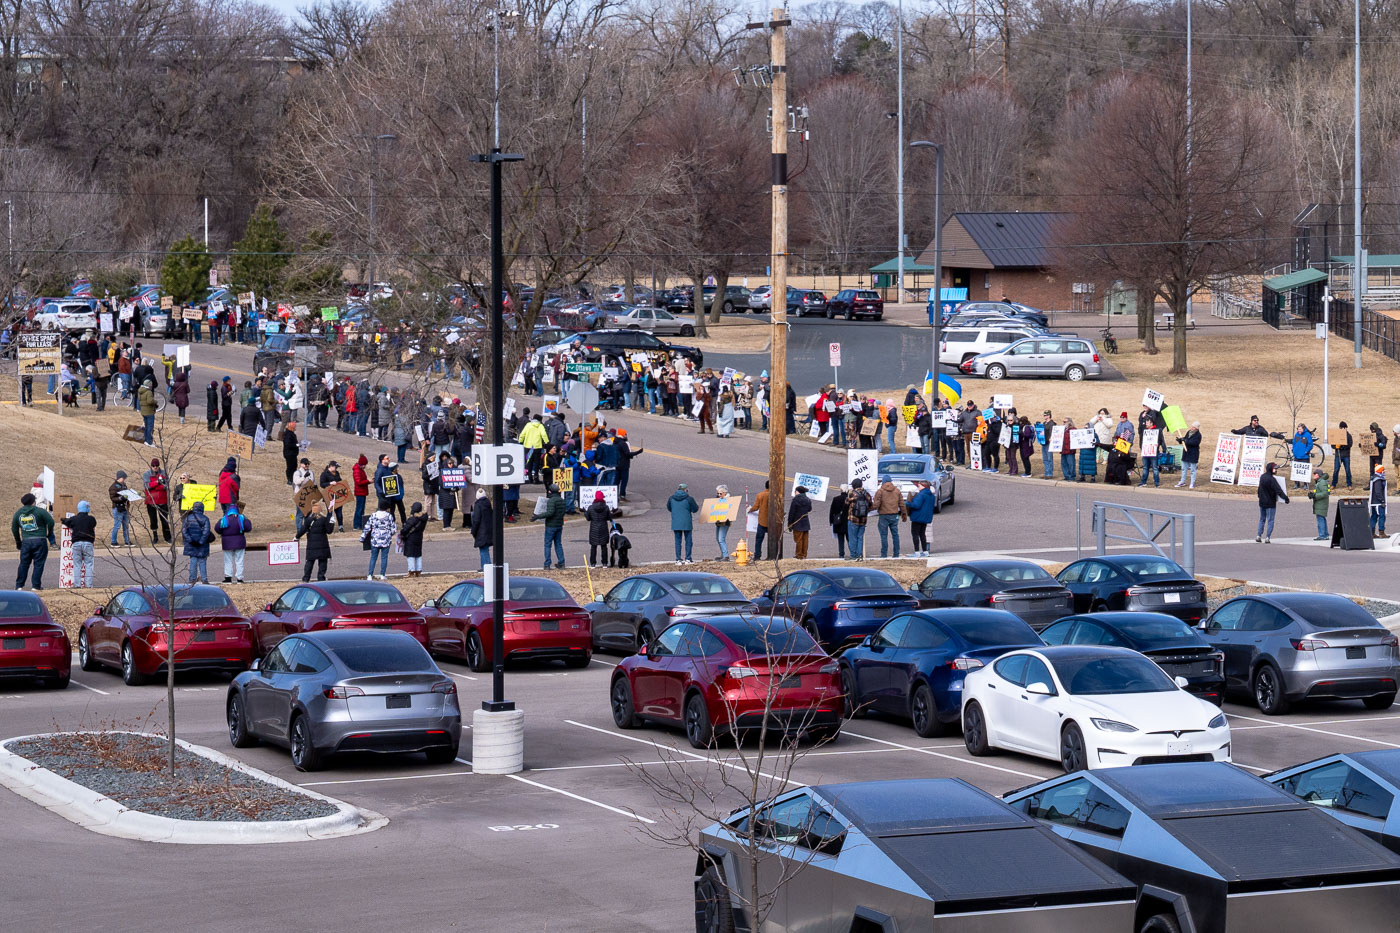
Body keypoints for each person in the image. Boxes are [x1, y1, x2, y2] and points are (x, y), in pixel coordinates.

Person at [61, 500, 97, 587]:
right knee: (89, 564)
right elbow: (94, 524)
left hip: (76, 543)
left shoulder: (74, 519)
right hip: (88, 543)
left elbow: (66, 522)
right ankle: (88, 585)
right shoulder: (91, 519)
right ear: (87, 509)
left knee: (77, 564)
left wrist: (64, 519)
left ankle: (77, 585)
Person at [297, 500, 335, 582]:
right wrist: (332, 522)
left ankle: (306, 578)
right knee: (322, 563)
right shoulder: (324, 520)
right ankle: (321, 578)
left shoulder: (308, 520)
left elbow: (302, 530)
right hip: (323, 545)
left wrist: (296, 537)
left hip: (311, 545)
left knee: (309, 562)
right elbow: (329, 531)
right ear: (320, 510)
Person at [872, 475, 907, 559]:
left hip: (883, 516)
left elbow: (876, 504)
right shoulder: (897, 491)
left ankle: (884, 554)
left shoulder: (880, 491)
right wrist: (904, 514)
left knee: (884, 535)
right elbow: (902, 504)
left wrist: (869, 508)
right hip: (894, 515)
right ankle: (896, 554)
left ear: (883, 482)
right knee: (895, 535)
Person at [533, 484, 566, 569]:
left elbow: (550, 513)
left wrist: (538, 516)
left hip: (551, 525)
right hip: (559, 525)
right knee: (558, 544)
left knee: (548, 545)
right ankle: (561, 562)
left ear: (550, 491)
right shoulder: (562, 500)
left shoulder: (551, 501)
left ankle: (547, 564)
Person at [215, 505, 251, 583]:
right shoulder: (241, 518)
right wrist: (245, 518)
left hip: (227, 543)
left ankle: (228, 578)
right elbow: (248, 528)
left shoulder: (224, 519)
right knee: (239, 561)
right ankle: (239, 578)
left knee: (228, 560)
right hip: (239, 542)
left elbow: (217, 528)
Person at [1255, 462, 1289, 544]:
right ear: (1271, 469)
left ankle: (1258, 535)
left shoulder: (1262, 477)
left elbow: (1259, 490)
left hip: (1262, 502)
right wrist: (1286, 498)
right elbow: (1279, 490)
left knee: (1262, 519)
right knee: (1270, 520)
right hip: (1270, 503)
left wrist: (1260, 497)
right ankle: (1267, 537)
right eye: (1275, 468)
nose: (1276, 470)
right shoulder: (1272, 479)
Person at [667, 482, 699, 564]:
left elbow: (669, 508)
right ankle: (688, 558)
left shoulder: (671, 498)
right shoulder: (689, 499)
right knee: (688, 541)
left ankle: (678, 559)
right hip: (687, 522)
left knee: (678, 542)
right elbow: (695, 509)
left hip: (676, 523)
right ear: (686, 490)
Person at [360, 507, 396, 580]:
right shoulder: (389, 516)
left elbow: (367, 527)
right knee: (384, 557)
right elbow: (393, 529)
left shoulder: (373, 515)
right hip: (386, 540)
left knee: (373, 557)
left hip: (375, 540)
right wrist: (389, 534)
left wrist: (362, 537)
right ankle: (382, 574)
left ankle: (370, 574)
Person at [181, 501, 213, 583]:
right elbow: (206, 532)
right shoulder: (205, 518)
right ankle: (204, 579)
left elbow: (184, 531)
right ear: (202, 509)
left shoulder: (188, 518)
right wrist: (201, 541)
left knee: (193, 561)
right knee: (202, 561)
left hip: (191, 544)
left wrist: (190, 540)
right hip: (202, 544)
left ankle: (192, 579)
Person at [907, 479, 935, 558]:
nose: (918, 487)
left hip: (917, 517)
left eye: (919, 486)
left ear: (923, 486)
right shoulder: (931, 495)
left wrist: (908, 503)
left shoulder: (921, 495)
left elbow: (916, 505)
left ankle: (917, 552)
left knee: (915, 534)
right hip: (926, 517)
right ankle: (925, 551)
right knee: (922, 534)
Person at [846, 479, 873, 559]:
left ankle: (853, 555)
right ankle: (860, 554)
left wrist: (849, 493)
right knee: (860, 537)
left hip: (853, 519)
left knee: (852, 538)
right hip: (863, 519)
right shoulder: (866, 494)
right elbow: (870, 504)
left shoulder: (852, 494)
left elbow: (846, 502)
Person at [586, 491, 613, 566]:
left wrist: (585, 513)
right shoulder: (606, 507)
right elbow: (609, 518)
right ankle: (604, 563)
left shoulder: (591, 507)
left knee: (593, 546)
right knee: (604, 546)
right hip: (603, 527)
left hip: (594, 528)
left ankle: (593, 563)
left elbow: (588, 518)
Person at [401, 503, 429, 576]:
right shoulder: (424, 518)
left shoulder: (412, 519)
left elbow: (405, 530)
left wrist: (402, 533)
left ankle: (411, 571)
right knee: (418, 554)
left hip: (411, 538)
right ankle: (418, 571)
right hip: (419, 537)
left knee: (410, 555)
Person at [108, 470, 134, 546]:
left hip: (125, 508)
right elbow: (113, 498)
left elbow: (127, 494)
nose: (124, 480)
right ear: (119, 478)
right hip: (117, 508)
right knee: (117, 525)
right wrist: (121, 498)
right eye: (123, 478)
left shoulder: (124, 485)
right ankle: (113, 541)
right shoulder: (113, 487)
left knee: (126, 525)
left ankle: (127, 541)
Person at [787, 485, 812, 560]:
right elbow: (810, 509)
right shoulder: (808, 499)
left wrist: (790, 523)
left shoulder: (796, 500)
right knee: (805, 539)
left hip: (797, 522)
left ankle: (799, 554)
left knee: (798, 539)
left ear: (797, 492)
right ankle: (804, 554)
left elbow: (792, 512)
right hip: (805, 521)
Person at [1174, 422, 1202, 488]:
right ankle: (1182, 481)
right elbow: (1185, 440)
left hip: (1193, 453)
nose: (1192, 428)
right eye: (1192, 426)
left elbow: (1195, 443)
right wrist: (1180, 440)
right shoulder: (1189, 432)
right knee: (1183, 469)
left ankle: (1192, 483)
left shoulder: (1198, 435)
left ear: (1197, 428)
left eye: (1194, 427)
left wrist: (1185, 440)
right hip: (1186, 453)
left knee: (1193, 470)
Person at [470, 488, 493, 570]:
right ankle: (487, 565)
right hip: (488, 530)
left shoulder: (477, 505)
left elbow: (476, 520)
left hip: (481, 531)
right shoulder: (488, 503)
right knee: (485, 549)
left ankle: (486, 567)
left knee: (483, 550)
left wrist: (473, 531)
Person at [749, 481, 771, 559]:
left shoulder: (760, 495)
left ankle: (757, 556)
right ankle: (772, 555)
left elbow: (756, 507)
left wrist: (750, 510)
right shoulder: (775, 494)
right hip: (772, 522)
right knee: (772, 540)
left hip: (762, 521)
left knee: (759, 540)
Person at [1307, 469, 1331, 540]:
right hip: (1320, 503)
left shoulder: (1321, 482)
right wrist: (1313, 494)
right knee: (1322, 518)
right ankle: (1325, 534)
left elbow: (1325, 493)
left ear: (1319, 475)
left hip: (1321, 504)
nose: (1314, 475)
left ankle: (1322, 535)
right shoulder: (1319, 482)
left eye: (1315, 474)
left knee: (1320, 519)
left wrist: (1315, 495)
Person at [712, 485, 733, 560]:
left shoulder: (728, 500)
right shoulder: (718, 499)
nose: (718, 495)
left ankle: (725, 555)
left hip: (725, 522)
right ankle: (723, 554)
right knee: (718, 538)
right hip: (718, 522)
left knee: (721, 539)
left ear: (725, 493)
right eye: (718, 493)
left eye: (720, 494)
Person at [829, 484, 849, 558]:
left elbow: (832, 511)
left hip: (838, 522)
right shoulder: (849, 499)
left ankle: (841, 554)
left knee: (840, 540)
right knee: (849, 539)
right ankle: (852, 552)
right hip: (847, 522)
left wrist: (831, 521)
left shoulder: (836, 499)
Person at [1332, 421, 1354, 488]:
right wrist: (1336, 446)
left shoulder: (1348, 436)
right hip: (1338, 456)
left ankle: (1349, 484)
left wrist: (1342, 446)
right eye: (1342, 428)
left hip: (1346, 456)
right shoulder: (1336, 435)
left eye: (1344, 428)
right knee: (1336, 470)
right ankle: (1333, 484)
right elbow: (1332, 444)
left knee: (1347, 470)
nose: (1343, 429)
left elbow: (1350, 444)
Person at [138, 377, 158, 446]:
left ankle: (146, 440)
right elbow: (150, 401)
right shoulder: (148, 392)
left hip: (143, 411)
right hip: (149, 411)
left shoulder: (140, 391)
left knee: (146, 426)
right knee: (150, 427)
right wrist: (155, 402)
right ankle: (149, 441)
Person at [352, 454, 370, 529]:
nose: (365, 466)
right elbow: (358, 482)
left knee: (361, 509)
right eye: (364, 464)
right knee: (359, 509)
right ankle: (356, 525)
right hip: (360, 492)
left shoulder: (359, 469)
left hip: (362, 492)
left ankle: (360, 524)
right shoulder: (357, 470)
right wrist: (368, 481)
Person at [1371, 465, 1388, 539]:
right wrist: (1382, 501)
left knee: (1374, 516)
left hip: (1374, 501)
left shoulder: (1374, 478)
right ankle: (1381, 532)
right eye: (1383, 470)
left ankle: (1372, 532)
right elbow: (1378, 492)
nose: (1384, 472)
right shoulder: (1378, 480)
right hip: (1378, 502)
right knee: (1382, 516)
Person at [283, 421, 301, 486]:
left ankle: (293, 479)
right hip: (289, 454)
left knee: (294, 466)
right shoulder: (288, 434)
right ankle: (289, 479)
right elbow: (288, 444)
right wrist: (296, 445)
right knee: (290, 467)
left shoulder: (291, 433)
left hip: (293, 454)